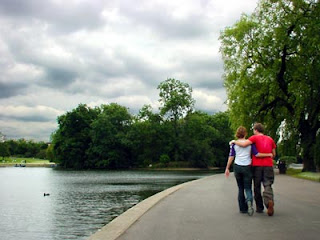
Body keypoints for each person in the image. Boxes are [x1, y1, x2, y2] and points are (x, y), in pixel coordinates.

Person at [225, 126, 272, 216]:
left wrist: (227, 168)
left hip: (237, 166)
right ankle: (249, 202)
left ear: (237, 134)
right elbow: (257, 154)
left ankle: (243, 208)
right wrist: (268, 154)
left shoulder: (234, 144)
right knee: (247, 187)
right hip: (247, 167)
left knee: (240, 188)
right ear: (245, 133)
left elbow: (231, 156)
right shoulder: (250, 144)